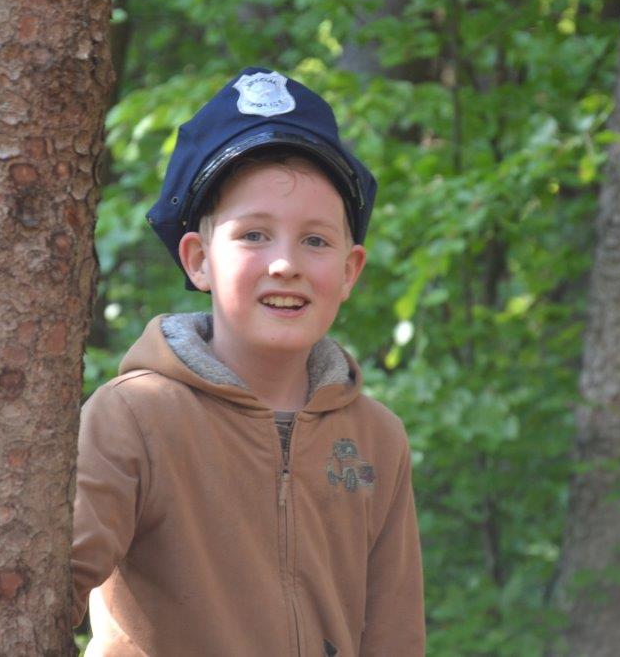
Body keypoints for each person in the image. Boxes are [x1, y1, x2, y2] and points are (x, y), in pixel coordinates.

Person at [71, 67, 425, 656]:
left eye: (315, 240)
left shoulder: (377, 439)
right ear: (198, 260)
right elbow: (36, 594)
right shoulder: (133, 416)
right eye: (254, 235)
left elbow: (394, 637)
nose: (285, 264)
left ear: (349, 271)